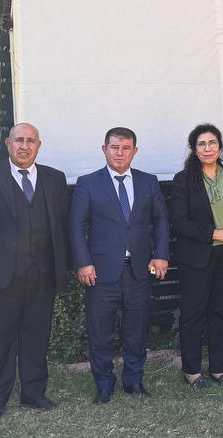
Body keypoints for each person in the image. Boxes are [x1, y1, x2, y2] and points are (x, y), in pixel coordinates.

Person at [0, 123, 71, 421]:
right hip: (1, 275)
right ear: (8, 143)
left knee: (37, 335)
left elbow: (62, 226)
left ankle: (33, 393)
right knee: (0, 339)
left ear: (39, 145)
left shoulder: (55, 179)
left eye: (30, 141)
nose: (24, 146)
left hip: (43, 273)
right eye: (19, 140)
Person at [69, 127, 169, 403]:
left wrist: (161, 254)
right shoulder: (88, 183)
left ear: (135, 151)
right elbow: (76, 226)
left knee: (136, 330)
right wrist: (83, 263)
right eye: (115, 147)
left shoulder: (149, 182)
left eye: (126, 148)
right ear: (104, 149)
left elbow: (160, 220)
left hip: (139, 270)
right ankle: (104, 384)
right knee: (100, 332)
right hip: (100, 273)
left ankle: (134, 381)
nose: (120, 153)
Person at [170, 124, 223, 389]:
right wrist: (214, 233)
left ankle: (217, 368)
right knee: (193, 314)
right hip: (196, 258)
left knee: (221, 312)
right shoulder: (183, 180)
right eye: (201, 144)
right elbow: (179, 222)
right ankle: (192, 371)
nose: (207, 148)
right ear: (194, 149)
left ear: (220, 147)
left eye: (212, 143)